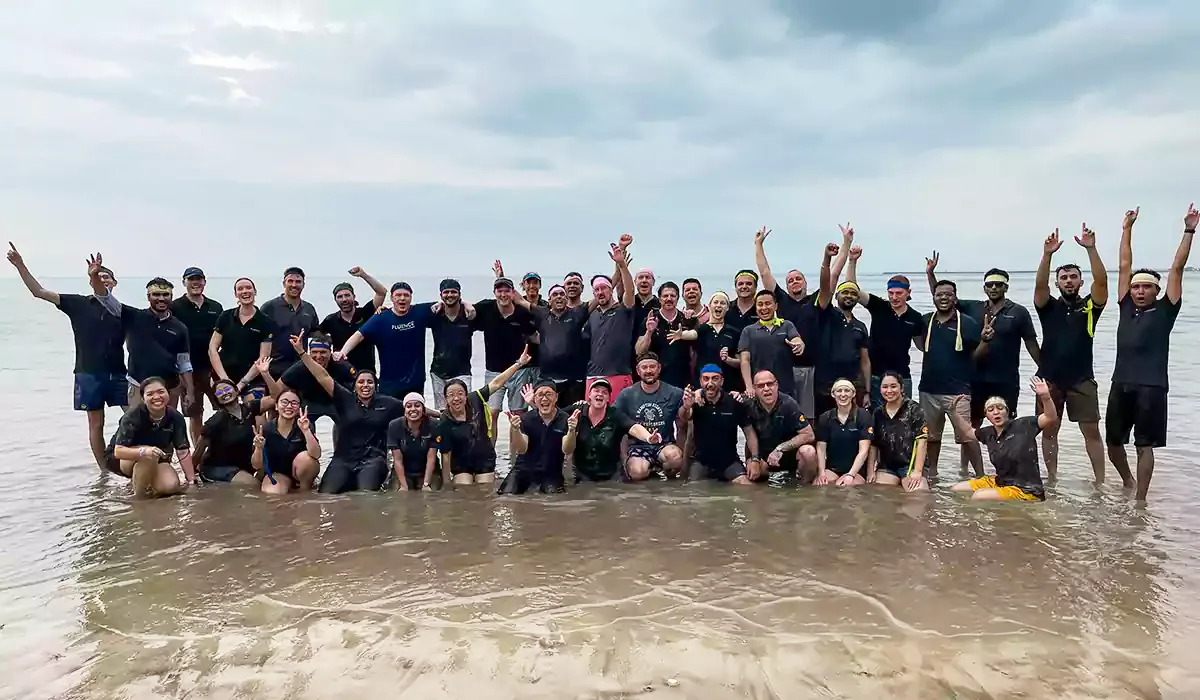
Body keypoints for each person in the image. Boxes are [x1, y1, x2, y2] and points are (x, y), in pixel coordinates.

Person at [1107, 204, 1196, 501]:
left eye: (1147, 287)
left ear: (1157, 291)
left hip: (1152, 387)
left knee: (1144, 445)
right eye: (1137, 287)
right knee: (1113, 443)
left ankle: (1141, 499)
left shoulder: (1166, 310)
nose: (1140, 291)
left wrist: (1189, 230)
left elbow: (1177, 268)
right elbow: (1123, 264)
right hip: (1120, 383)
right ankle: (1128, 481)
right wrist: (1127, 229)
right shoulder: (1125, 307)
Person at [8, 245, 124, 471]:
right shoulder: (77, 303)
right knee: (96, 424)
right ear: (91, 281)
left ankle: (124, 456)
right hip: (88, 372)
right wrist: (20, 265)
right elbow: (39, 292)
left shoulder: (121, 310)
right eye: (98, 277)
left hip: (118, 372)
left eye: (107, 277)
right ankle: (104, 472)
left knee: (134, 414)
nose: (103, 281)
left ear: (114, 283)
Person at [1033, 224, 1108, 482]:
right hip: (1049, 380)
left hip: (1082, 379)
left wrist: (1091, 248)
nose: (1068, 281)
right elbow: (1040, 283)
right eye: (1064, 278)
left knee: (1092, 432)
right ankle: (1052, 479)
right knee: (1049, 431)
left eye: (1073, 277)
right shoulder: (1047, 306)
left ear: (1080, 281)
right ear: (1057, 282)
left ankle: (1100, 482)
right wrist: (1047, 255)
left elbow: (1102, 281)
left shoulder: (1089, 306)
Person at [926, 255, 1040, 425]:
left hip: (1006, 379)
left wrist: (1044, 369)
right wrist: (930, 273)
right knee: (973, 427)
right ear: (984, 288)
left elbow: (1031, 344)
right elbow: (944, 298)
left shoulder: (1019, 312)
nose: (994, 288)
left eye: (998, 285)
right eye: (989, 285)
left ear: (1006, 287)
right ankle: (977, 453)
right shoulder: (974, 308)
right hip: (975, 378)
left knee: (1006, 424)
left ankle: (1003, 452)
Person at [754, 225, 853, 418]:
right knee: (781, 416)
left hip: (812, 370)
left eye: (798, 278)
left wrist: (846, 243)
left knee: (809, 417)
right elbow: (765, 272)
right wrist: (758, 244)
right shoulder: (780, 301)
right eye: (790, 280)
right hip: (783, 368)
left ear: (806, 283)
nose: (794, 282)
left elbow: (832, 276)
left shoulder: (817, 302)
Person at [288, 332, 402, 494]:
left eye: (370, 382)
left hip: (373, 460)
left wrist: (441, 416)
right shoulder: (345, 398)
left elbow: (415, 407)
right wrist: (302, 352)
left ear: (375, 386)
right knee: (326, 496)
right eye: (361, 382)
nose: (365, 385)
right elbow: (322, 375)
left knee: (365, 496)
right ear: (354, 386)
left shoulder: (388, 404)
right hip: (343, 460)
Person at [914, 279, 992, 478]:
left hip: (958, 391)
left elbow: (977, 355)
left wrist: (985, 340)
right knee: (931, 437)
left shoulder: (967, 322)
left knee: (968, 436)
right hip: (929, 390)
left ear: (955, 298)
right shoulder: (925, 321)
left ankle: (981, 476)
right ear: (933, 297)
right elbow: (919, 344)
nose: (944, 298)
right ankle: (932, 474)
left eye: (948, 294)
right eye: (939, 294)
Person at [437, 346, 533, 485]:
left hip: (484, 458)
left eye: (460, 394)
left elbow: (497, 383)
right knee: (464, 489)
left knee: (484, 492)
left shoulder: (476, 398)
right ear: (445, 399)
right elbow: (445, 454)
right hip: (461, 464)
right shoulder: (445, 419)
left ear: (466, 395)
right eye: (451, 395)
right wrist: (446, 483)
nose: (456, 398)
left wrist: (519, 364)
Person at [951, 377, 1057, 501]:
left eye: (1000, 408)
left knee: (978, 496)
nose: (996, 412)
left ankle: (982, 519)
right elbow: (968, 432)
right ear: (987, 416)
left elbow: (1050, 417)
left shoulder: (1024, 425)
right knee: (956, 489)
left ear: (1007, 412)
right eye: (991, 410)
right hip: (1000, 482)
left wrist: (1045, 397)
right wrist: (954, 412)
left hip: (1026, 489)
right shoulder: (988, 433)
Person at [842, 248, 923, 409]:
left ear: (908, 293)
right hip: (876, 376)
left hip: (902, 376)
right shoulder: (879, 306)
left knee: (904, 417)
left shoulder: (915, 317)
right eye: (891, 293)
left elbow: (922, 346)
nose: (894, 297)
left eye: (899, 293)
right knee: (876, 419)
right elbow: (852, 289)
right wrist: (852, 261)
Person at [336, 282, 435, 399]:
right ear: (392, 298)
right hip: (389, 382)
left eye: (406, 295)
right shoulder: (381, 317)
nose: (402, 298)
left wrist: (463, 304)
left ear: (411, 297)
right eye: (398, 295)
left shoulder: (419, 312)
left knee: (415, 413)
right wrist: (343, 352)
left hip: (415, 381)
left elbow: (448, 302)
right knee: (389, 415)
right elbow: (358, 335)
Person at [104, 376, 197, 498]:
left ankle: (146, 483)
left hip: (157, 457)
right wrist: (144, 451)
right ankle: (139, 497)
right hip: (122, 459)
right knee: (149, 455)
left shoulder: (175, 417)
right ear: (143, 398)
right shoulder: (132, 416)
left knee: (170, 486)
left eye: (161, 392)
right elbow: (118, 451)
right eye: (150, 394)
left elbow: (183, 450)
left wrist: (191, 481)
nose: (157, 397)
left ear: (168, 394)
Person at [473, 276, 539, 436]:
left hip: (518, 370)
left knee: (517, 416)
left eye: (507, 291)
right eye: (499, 291)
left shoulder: (522, 313)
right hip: (493, 371)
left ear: (512, 293)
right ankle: (491, 455)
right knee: (492, 413)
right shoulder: (486, 308)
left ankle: (515, 457)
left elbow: (535, 337)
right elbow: (466, 310)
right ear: (494, 292)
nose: (503, 294)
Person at [562, 379, 663, 483]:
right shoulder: (576, 411)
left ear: (608, 399)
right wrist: (571, 429)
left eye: (604, 392)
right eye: (596, 391)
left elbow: (634, 427)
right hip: (582, 476)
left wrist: (648, 437)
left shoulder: (615, 414)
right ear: (589, 395)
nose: (600, 394)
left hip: (612, 476)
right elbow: (555, 415)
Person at [119, 278, 195, 411]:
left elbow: (184, 362)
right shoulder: (134, 317)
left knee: (167, 428)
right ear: (148, 297)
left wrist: (190, 391)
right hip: (138, 385)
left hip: (169, 387)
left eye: (165, 295)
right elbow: (108, 302)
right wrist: (96, 277)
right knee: (136, 428)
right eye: (156, 294)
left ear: (171, 297)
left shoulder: (179, 327)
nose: (161, 299)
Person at [613, 353, 688, 480]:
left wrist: (689, 405)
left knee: (675, 459)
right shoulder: (626, 395)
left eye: (652, 367)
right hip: (638, 447)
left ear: (659, 368)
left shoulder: (675, 393)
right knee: (637, 473)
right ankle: (650, 472)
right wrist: (623, 457)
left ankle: (667, 478)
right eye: (645, 367)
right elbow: (615, 420)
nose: (649, 371)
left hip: (664, 444)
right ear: (638, 370)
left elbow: (684, 423)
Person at [171, 267, 222, 444]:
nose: (196, 283)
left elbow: (223, 336)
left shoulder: (215, 307)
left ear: (204, 282)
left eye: (199, 279)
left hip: (212, 368)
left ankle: (221, 448)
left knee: (225, 407)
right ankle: (198, 455)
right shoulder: (175, 306)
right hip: (186, 370)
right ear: (184, 282)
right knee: (195, 413)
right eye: (191, 279)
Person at [686, 364, 761, 484]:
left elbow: (749, 433)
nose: (710, 383)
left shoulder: (734, 402)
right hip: (701, 463)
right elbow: (684, 417)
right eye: (706, 379)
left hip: (729, 463)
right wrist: (687, 405)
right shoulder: (694, 402)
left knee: (747, 487)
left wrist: (755, 459)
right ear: (700, 381)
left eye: (715, 378)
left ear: (722, 381)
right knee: (693, 493)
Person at [518, 283, 590, 405]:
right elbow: (519, 299)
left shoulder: (577, 313)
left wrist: (620, 269)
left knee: (573, 417)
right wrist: (501, 277)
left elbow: (601, 295)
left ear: (566, 299)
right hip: (547, 379)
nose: (559, 297)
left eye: (562, 294)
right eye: (555, 294)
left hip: (573, 380)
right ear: (549, 300)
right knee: (547, 414)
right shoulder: (542, 313)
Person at [743, 370, 818, 484]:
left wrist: (781, 448)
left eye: (770, 384)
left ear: (776, 385)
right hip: (761, 456)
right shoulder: (748, 405)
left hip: (787, 454)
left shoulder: (789, 404)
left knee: (809, 452)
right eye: (761, 386)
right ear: (755, 389)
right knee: (753, 476)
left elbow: (809, 434)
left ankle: (804, 489)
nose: (766, 389)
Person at [584, 242, 637, 402]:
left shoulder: (624, 309)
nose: (600, 292)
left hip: (619, 374)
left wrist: (621, 264)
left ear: (611, 289)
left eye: (604, 288)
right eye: (597, 290)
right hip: (593, 376)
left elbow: (630, 290)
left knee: (620, 420)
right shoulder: (592, 314)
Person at [499, 380, 570, 495]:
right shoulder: (526, 419)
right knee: (506, 497)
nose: (544, 398)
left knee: (554, 501)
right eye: (540, 395)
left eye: (549, 394)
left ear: (556, 397)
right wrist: (515, 430)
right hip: (523, 471)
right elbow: (522, 449)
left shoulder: (565, 420)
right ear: (535, 399)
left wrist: (571, 430)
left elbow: (568, 450)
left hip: (551, 473)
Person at [209, 277, 274, 399]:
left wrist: (242, 383)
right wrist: (225, 379)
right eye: (240, 289)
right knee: (225, 410)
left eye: (248, 288)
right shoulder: (225, 316)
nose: (245, 291)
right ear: (235, 294)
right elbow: (212, 349)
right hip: (224, 377)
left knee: (256, 414)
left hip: (253, 378)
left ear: (255, 292)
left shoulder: (266, 321)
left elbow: (263, 357)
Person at [813, 280, 870, 417]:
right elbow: (825, 288)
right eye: (845, 292)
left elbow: (865, 360)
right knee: (825, 423)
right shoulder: (826, 316)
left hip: (852, 383)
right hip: (825, 384)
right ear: (836, 296)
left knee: (852, 422)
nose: (849, 296)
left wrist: (867, 392)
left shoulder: (860, 326)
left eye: (853, 293)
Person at [192, 378, 265, 485]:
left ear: (236, 390)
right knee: (253, 484)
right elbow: (199, 450)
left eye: (227, 388)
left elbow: (275, 399)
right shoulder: (215, 421)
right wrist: (190, 476)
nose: (224, 393)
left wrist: (265, 374)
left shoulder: (250, 408)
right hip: (217, 468)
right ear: (216, 399)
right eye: (219, 392)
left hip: (243, 465)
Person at [278, 331, 356, 430]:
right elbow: (278, 388)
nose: (318, 357)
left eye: (323, 352)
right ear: (309, 353)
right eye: (314, 352)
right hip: (309, 403)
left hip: (335, 403)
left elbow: (358, 383)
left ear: (330, 352)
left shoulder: (340, 365)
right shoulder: (300, 367)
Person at [318, 267, 387, 375]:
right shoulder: (330, 320)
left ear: (354, 297)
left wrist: (363, 275)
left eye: (347, 295)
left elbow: (382, 292)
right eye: (339, 297)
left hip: (366, 373)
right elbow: (315, 336)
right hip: (340, 374)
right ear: (335, 300)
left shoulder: (366, 313)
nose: (344, 299)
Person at [737, 290, 804, 400]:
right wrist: (749, 386)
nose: (764, 308)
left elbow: (797, 339)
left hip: (786, 388)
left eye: (768, 303)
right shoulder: (748, 331)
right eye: (760, 304)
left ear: (776, 306)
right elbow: (745, 360)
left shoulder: (786, 325)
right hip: (761, 388)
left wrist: (799, 344)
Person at [869, 371, 929, 492]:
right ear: (880, 389)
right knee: (876, 495)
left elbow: (922, 442)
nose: (889, 391)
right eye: (885, 387)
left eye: (893, 386)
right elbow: (873, 445)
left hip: (910, 467)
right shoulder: (878, 413)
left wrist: (917, 472)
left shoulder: (915, 409)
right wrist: (870, 470)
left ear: (901, 388)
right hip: (887, 467)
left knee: (918, 495)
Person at [253, 388, 321, 493]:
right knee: (272, 494)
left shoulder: (305, 425)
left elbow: (316, 455)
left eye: (294, 403)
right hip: (278, 473)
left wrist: (306, 431)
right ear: (276, 406)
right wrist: (258, 448)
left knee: (306, 459)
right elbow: (256, 465)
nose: (289, 406)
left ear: (299, 408)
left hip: (300, 473)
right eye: (284, 402)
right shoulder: (266, 429)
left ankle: (305, 492)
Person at [636, 281, 697, 390]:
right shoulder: (650, 320)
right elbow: (639, 351)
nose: (669, 299)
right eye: (665, 296)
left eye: (672, 296)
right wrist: (649, 332)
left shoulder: (686, 320)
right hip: (657, 381)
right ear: (659, 299)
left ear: (678, 298)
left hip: (683, 381)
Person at [261, 267, 320, 378]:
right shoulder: (269, 307)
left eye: (298, 282)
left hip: (300, 369)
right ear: (284, 283)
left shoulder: (309, 308)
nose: (294, 285)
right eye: (290, 281)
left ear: (303, 284)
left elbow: (316, 334)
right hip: (274, 370)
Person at [813, 379, 873, 486]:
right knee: (819, 486)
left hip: (856, 471)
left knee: (845, 487)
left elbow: (863, 451)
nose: (843, 394)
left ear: (853, 394)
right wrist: (821, 473)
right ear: (833, 394)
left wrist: (851, 474)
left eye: (847, 391)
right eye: (839, 391)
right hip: (833, 469)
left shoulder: (863, 416)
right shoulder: (825, 417)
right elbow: (821, 449)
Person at [428, 278, 476, 409]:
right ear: (441, 295)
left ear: (460, 294)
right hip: (438, 371)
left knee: (464, 409)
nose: (450, 295)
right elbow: (410, 311)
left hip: (462, 371)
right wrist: (389, 308)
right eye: (446, 292)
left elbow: (493, 306)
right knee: (443, 412)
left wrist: (466, 304)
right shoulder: (435, 313)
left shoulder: (469, 314)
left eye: (454, 292)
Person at [387, 392, 442, 491]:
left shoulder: (434, 425)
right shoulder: (394, 426)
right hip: (404, 471)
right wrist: (403, 486)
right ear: (404, 410)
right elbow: (397, 460)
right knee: (399, 496)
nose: (413, 409)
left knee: (431, 495)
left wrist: (426, 484)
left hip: (429, 471)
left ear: (423, 409)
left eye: (417, 406)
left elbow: (431, 458)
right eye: (409, 406)